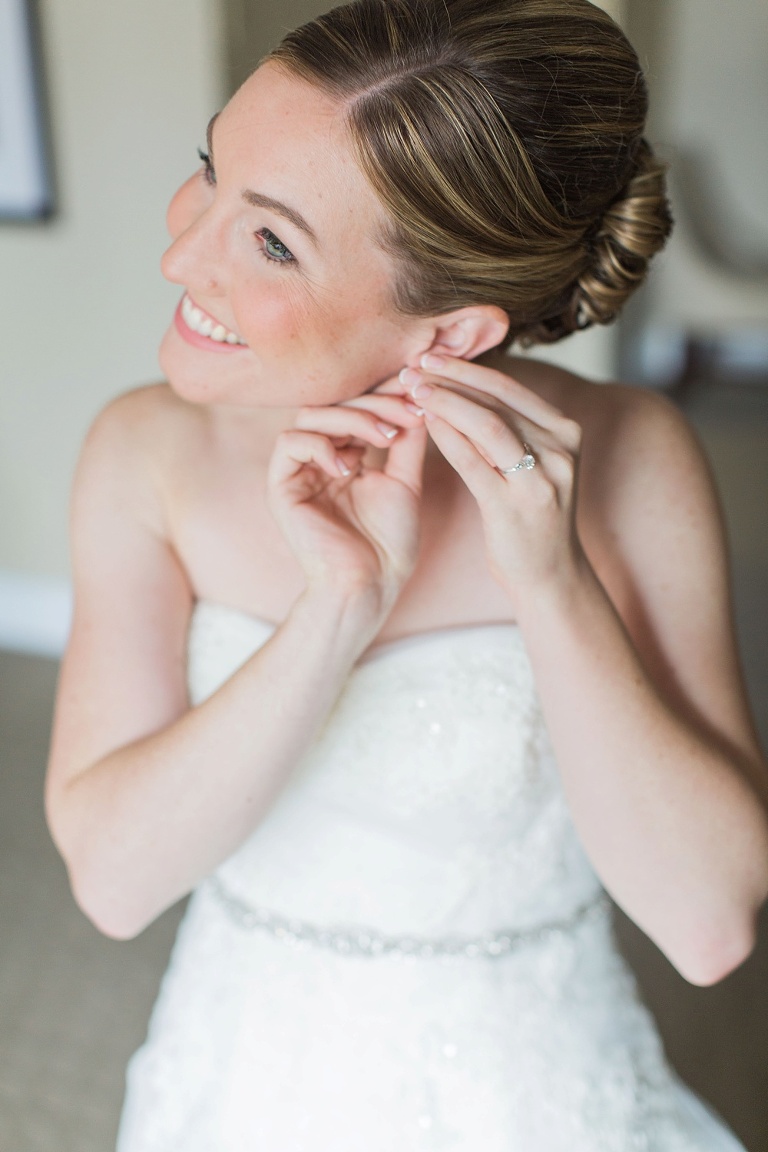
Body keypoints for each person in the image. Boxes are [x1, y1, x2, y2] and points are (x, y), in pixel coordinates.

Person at [45, 0, 768, 1148]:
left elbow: (708, 926)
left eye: (271, 241)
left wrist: (553, 585)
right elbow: (116, 885)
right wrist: (335, 611)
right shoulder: (144, 453)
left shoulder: (637, 460)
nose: (181, 253)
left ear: (451, 337)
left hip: (534, 1090)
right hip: (246, 1071)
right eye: (209, 170)